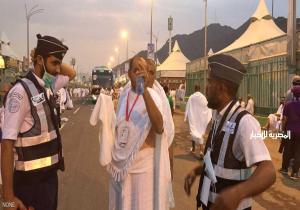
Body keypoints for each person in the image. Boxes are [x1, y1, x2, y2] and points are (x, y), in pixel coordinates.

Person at [184, 54, 275, 210]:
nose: (206, 87)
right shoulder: (219, 117)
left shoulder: (245, 122)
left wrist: (237, 193)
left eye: (209, 82)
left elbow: (269, 171)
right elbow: (218, 162)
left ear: (221, 87)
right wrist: (198, 171)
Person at [1, 34, 76, 210]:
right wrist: (7, 197)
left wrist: (51, 54)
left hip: (49, 181)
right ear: (40, 60)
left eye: (60, 63)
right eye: (54, 63)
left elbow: (71, 73)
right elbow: (6, 145)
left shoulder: (46, 87)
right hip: (28, 186)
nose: (58, 70)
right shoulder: (20, 93)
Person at [108, 56, 174, 210]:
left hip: (144, 171)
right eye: (135, 69)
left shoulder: (153, 96)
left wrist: (143, 91)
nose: (139, 72)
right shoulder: (124, 95)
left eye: (142, 69)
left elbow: (159, 127)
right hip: (122, 168)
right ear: (129, 74)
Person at [184, 85, 212, 156]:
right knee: (200, 133)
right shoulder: (203, 97)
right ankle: (201, 151)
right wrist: (209, 115)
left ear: (195, 89)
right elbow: (207, 106)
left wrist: (185, 117)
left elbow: (187, 106)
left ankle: (193, 149)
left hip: (193, 118)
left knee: (193, 132)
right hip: (201, 119)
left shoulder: (191, 97)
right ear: (199, 89)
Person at [280, 86, 300, 179]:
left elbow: (284, 119)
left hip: (289, 130)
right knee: (298, 151)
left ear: (293, 94)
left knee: (287, 149)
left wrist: (283, 129)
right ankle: (295, 173)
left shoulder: (288, 104)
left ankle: (284, 169)